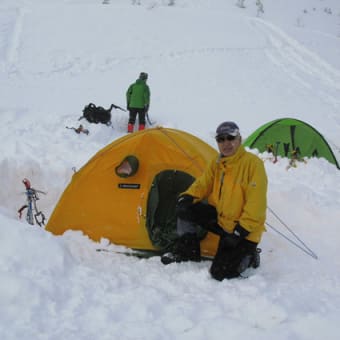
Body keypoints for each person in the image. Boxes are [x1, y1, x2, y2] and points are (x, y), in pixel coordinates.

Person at [161, 121, 268, 281]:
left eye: (230, 138)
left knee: (219, 273)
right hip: (222, 219)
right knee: (185, 209)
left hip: (242, 231)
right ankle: (187, 252)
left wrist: (240, 231)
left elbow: (256, 204)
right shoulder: (217, 163)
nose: (226, 143)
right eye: (221, 139)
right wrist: (187, 196)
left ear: (239, 139)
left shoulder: (253, 165)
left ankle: (250, 256)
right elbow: (203, 183)